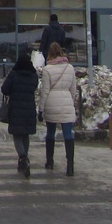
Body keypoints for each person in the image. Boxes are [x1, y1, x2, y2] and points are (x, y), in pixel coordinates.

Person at [39, 41, 78, 176]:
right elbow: (73, 89)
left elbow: (44, 91)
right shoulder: (70, 68)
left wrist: (41, 109)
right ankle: (70, 166)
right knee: (68, 134)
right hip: (66, 101)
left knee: (50, 133)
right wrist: (70, 102)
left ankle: (49, 161)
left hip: (51, 102)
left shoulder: (47, 69)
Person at [0, 48, 39, 177]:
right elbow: (34, 87)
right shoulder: (33, 75)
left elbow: (4, 89)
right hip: (29, 109)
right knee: (25, 135)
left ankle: (23, 158)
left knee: (17, 135)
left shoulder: (14, 74)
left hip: (16, 109)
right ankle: (23, 162)